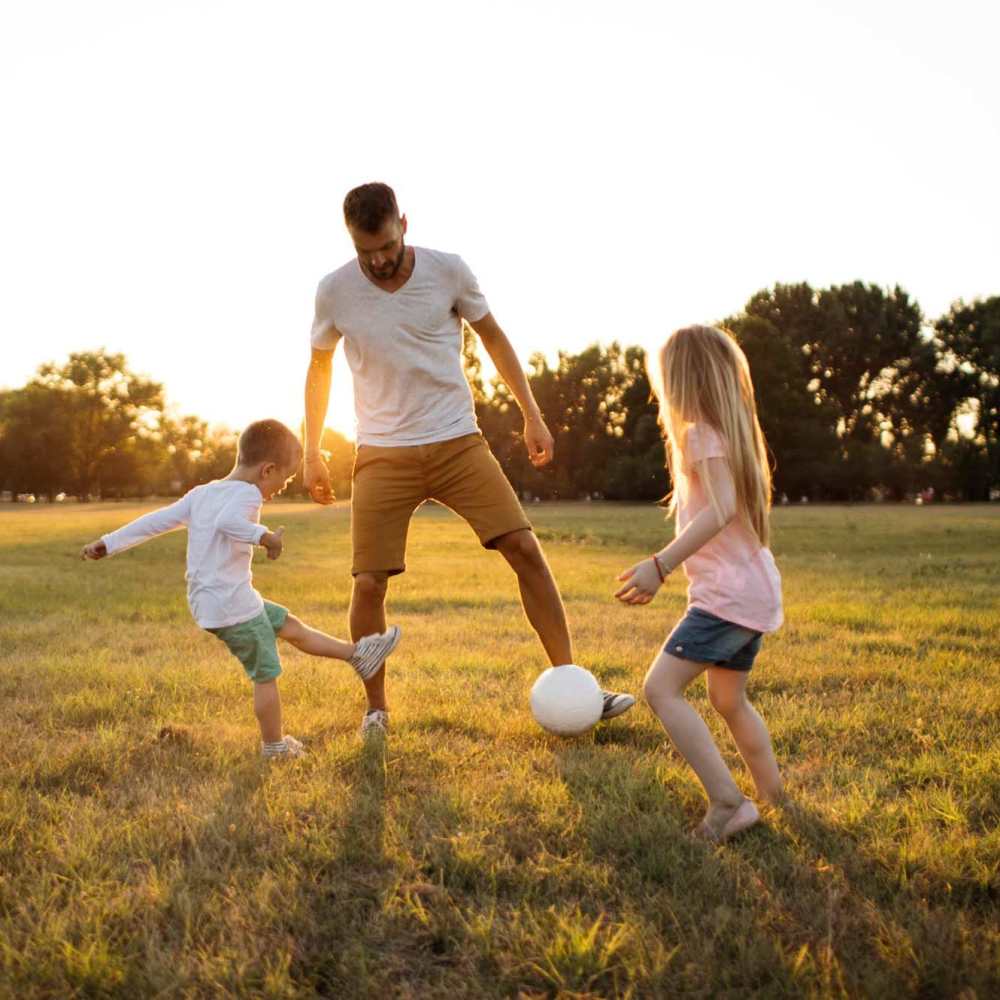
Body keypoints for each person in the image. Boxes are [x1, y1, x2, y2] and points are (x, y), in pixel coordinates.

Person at [304, 181, 634, 736]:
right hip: (382, 452)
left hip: (457, 440)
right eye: (367, 252)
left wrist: (532, 413)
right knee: (368, 584)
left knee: (525, 548)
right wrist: (310, 448)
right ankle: (376, 709)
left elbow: (494, 338)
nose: (379, 261)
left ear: (403, 224)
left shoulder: (448, 270)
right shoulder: (334, 290)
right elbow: (319, 368)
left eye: (386, 246)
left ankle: (576, 685)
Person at [81, 419, 401, 759]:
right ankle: (274, 747)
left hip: (216, 602)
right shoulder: (248, 494)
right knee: (266, 673)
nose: (282, 486)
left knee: (288, 624)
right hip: (232, 605)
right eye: (285, 478)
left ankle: (358, 656)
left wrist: (109, 543)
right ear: (267, 470)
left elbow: (157, 521)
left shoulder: (202, 493)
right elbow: (229, 523)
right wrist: (264, 537)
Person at [615, 326, 783, 841]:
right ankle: (776, 798)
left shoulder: (700, 435)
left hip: (727, 600)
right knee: (729, 701)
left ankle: (729, 804)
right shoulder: (727, 435)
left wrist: (660, 565)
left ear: (680, 382)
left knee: (660, 689)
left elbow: (720, 510)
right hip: (751, 593)